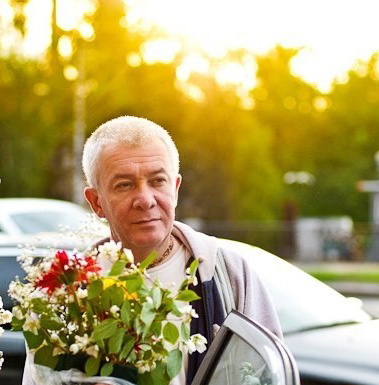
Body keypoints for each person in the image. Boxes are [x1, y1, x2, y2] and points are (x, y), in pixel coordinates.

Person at [23, 116, 281, 385]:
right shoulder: (67, 295)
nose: (145, 200)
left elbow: (271, 374)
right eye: (124, 185)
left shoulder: (228, 274)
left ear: (176, 188)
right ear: (96, 202)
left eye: (158, 181)